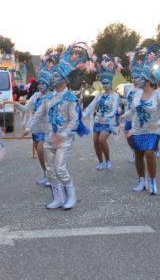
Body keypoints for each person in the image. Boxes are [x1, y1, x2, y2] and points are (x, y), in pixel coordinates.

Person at [28, 43, 90, 210]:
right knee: (50, 170)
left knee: (60, 168)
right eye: (52, 76)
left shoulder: (70, 97)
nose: (52, 79)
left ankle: (71, 196)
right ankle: (58, 198)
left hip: (64, 139)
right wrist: (29, 127)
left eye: (56, 76)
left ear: (64, 79)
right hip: (49, 138)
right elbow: (39, 114)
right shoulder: (49, 97)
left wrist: (63, 134)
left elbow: (74, 121)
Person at [121, 44, 160, 195]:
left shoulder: (158, 95)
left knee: (149, 152)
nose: (137, 80)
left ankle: (153, 181)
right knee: (139, 154)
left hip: (152, 130)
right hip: (137, 129)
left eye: (140, 78)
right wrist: (122, 116)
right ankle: (142, 180)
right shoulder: (135, 95)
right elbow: (132, 110)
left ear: (147, 79)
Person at [16, 55, 57, 186]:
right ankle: (46, 174)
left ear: (48, 84)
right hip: (35, 130)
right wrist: (14, 104)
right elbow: (26, 109)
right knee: (40, 155)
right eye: (39, 83)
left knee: (41, 150)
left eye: (43, 83)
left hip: (46, 128)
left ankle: (52, 176)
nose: (40, 85)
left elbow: (41, 114)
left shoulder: (51, 97)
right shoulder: (35, 95)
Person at [83, 55, 121, 171]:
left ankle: (108, 160)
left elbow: (114, 108)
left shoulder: (115, 96)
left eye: (106, 83)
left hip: (108, 122)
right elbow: (92, 105)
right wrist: (83, 114)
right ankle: (100, 161)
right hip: (98, 121)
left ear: (111, 83)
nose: (104, 85)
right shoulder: (99, 95)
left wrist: (109, 116)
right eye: (103, 83)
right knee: (95, 142)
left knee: (101, 140)